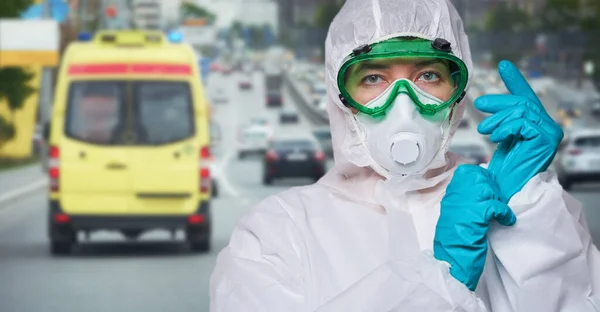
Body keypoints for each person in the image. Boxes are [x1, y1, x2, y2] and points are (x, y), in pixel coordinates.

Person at [210, 0, 600, 310]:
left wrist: (531, 216)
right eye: (373, 78)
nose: (404, 103)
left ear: (457, 94)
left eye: (428, 76)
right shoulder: (278, 235)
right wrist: (441, 280)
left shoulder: (507, 205)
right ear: (340, 95)